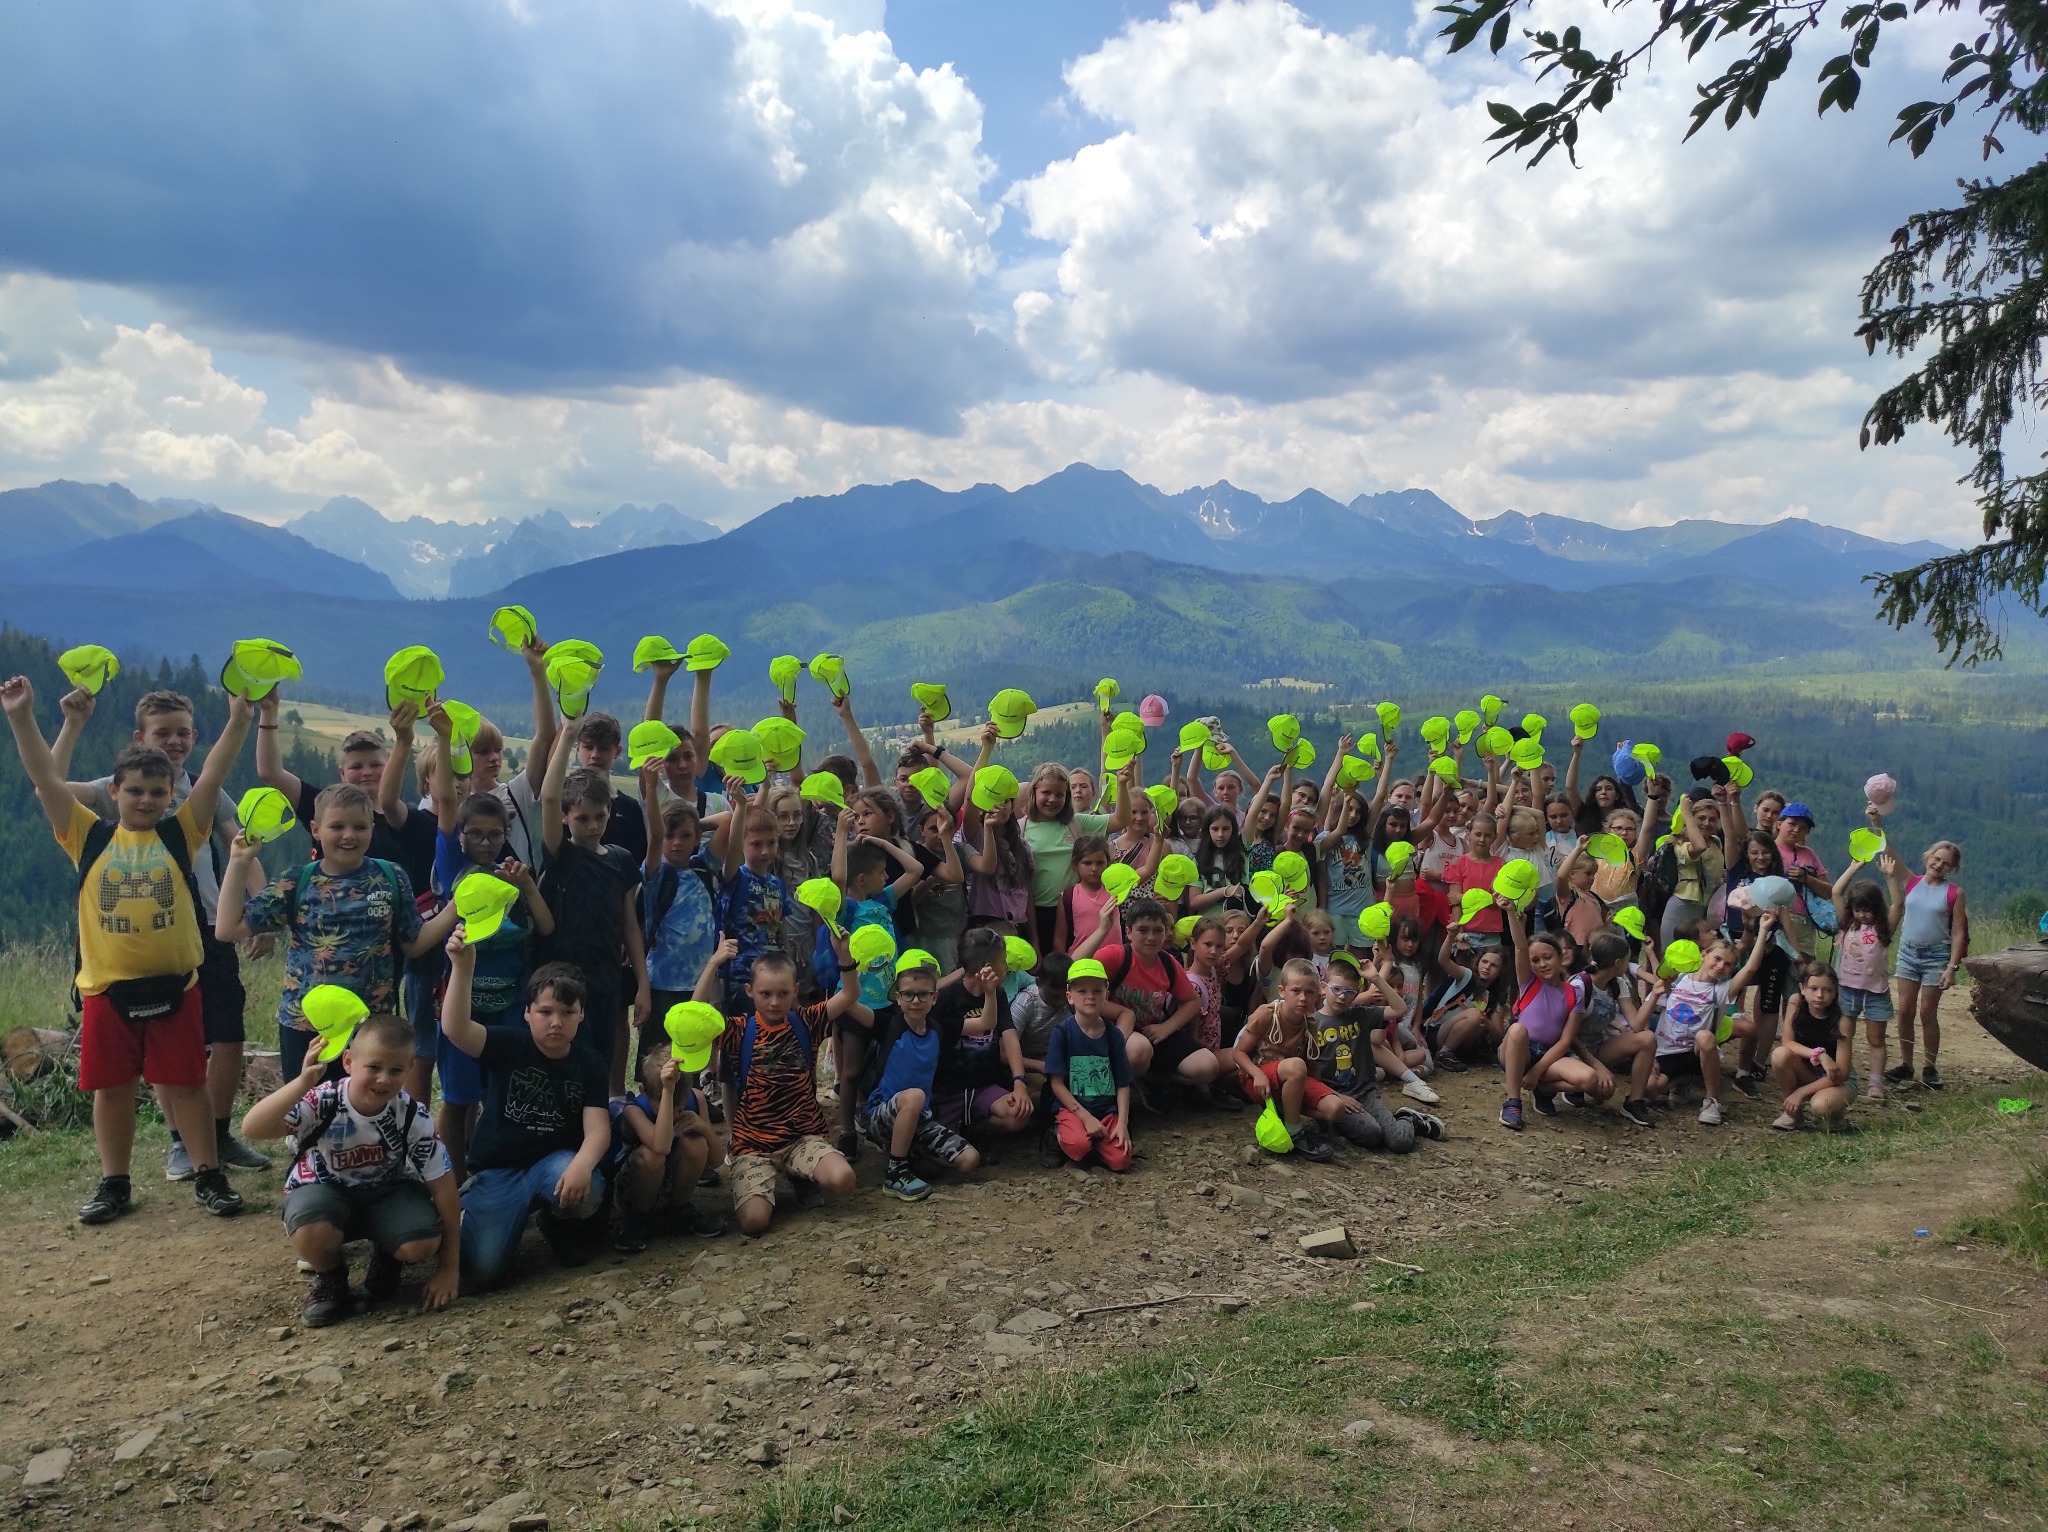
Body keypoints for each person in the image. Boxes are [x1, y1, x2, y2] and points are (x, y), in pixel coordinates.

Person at [3, 675, 253, 1223]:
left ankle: (208, 1177)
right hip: (107, 990)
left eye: (157, 792)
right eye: (134, 791)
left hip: (177, 988)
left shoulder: (181, 834)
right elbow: (45, 780)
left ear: (171, 797)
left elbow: (214, 773)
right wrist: (22, 716)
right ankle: (114, 1183)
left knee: (187, 1084)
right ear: (113, 792)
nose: (146, 799)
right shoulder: (85, 835)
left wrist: (238, 718)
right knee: (111, 1089)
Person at [51, 685, 271, 1178]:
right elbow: (52, 786)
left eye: (182, 734)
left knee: (224, 1034)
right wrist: (69, 726)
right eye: (162, 734)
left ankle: (214, 1139)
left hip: (210, 925)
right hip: (136, 942)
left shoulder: (196, 793)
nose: (173, 743)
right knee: (164, 1051)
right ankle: (179, 1144)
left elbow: (239, 838)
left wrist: (259, 908)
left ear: (195, 736)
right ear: (139, 738)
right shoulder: (122, 785)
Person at [257, 689, 443, 1103]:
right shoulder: (327, 808)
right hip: (317, 980)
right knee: (315, 1079)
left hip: (381, 961)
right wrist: (268, 713)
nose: (366, 773)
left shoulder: (400, 818)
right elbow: (271, 772)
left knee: (369, 1067)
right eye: (356, 766)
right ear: (341, 772)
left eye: (375, 764)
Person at [218, 783, 460, 1078]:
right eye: (337, 826)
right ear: (316, 829)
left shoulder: (391, 877)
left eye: (360, 826)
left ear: (372, 827)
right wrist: (239, 862)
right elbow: (228, 929)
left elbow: (413, 943)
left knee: (366, 1114)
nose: (349, 835)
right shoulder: (297, 881)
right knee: (307, 1115)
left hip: (370, 1028)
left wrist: (455, 909)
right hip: (306, 1027)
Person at [240, 1010, 460, 1326]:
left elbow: (444, 1186)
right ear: (348, 1062)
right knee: (309, 1225)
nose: (384, 1078)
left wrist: (448, 1268)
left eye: (396, 1070)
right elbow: (252, 1128)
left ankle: (387, 1254)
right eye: (373, 1067)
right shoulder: (323, 1101)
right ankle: (331, 1278)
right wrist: (302, 1083)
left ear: (410, 1069)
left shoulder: (413, 1115)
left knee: (421, 1242)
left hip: (384, 1193)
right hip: (323, 1194)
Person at [442, 936, 611, 1289]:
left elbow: (597, 1128)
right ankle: (476, 1213)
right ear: (527, 1013)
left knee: (588, 1185)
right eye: (545, 1012)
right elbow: (456, 1029)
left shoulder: (589, 1063)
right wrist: (462, 967)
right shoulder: (509, 1044)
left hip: (552, 1164)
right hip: (497, 1171)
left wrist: (581, 1165)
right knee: (482, 1272)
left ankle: (558, 1221)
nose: (556, 1023)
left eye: (567, 1013)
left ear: (582, 1015)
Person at [698, 935, 867, 1236]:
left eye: (782, 993)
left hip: (802, 1137)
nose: (774, 1002)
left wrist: (844, 954)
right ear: (749, 991)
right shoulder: (739, 1029)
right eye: (765, 993)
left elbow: (851, 993)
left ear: (795, 991)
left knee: (844, 1180)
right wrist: (714, 963)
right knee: (753, 1223)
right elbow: (694, 1016)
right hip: (753, 1145)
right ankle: (765, 1179)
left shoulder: (808, 1020)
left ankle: (799, 1173)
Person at [427, 778, 553, 1181]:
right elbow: (446, 800)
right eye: (475, 834)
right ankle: (455, 1180)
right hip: (460, 1007)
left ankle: (492, 1168)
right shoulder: (452, 870)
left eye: (495, 834)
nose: (485, 842)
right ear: (459, 836)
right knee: (458, 1098)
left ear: (507, 834)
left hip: (510, 1008)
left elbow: (544, 928)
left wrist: (527, 887)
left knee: (500, 1093)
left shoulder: (513, 878)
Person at [536, 717, 651, 1097]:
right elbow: (550, 797)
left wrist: (643, 986)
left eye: (600, 817)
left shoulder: (620, 860)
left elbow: (630, 925)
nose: (592, 825)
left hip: (605, 981)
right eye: (582, 818)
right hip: (561, 980)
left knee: (598, 1066)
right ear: (566, 818)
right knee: (559, 1063)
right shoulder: (561, 855)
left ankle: (598, 1140)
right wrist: (568, 735)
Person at [860, 949, 982, 1200]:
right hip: (880, 1115)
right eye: (908, 994)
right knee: (914, 1096)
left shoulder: (938, 1028)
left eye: (923, 994)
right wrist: (850, 966)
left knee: (970, 1160)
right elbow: (848, 1001)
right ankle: (895, 1173)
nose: (915, 1001)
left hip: (921, 1120)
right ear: (898, 997)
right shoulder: (887, 1025)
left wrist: (990, 991)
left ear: (934, 997)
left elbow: (985, 1023)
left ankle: (911, 1158)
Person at [1220, 958, 1346, 1163]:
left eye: (1309, 992)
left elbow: (1312, 1067)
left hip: (1289, 1079)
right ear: (1282, 991)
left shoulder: (1310, 1024)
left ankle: (1286, 1111)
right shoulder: (1267, 1015)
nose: (1303, 998)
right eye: (1296, 991)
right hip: (1258, 1078)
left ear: (1317, 994)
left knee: (1335, 1108)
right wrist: (1257, 1073)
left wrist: (1330, 1092)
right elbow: (1238, 1053)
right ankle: (1295, 1131)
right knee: (1296, 1066)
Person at [1649, 924, 1775, 1126]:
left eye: (1728, 965)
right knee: (1651, 1089)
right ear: (1704, 954)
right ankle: (1683, 1080)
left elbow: (1751, 967)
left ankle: (1712, 1101)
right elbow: (1654, 999)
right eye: (1717, 959)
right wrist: (1649, 1056)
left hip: (1698, 1052)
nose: (1720, 966)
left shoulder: (1723, 990)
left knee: (1705, 1037)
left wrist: (1762, 932)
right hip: (1668, 1051)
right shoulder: (1678, 979)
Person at [610, 1048, 724, 1250]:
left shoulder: (695, 1098)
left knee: (696, 1143)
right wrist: (668, 1092)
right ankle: (636, 1220)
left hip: (668, 1182)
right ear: (644, 1091)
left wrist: (704, 1128)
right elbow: (661, 1147)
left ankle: (679, 1211)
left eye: (679, 1107)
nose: (675, 1112)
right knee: (651, 1155)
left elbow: (718, 1161)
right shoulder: (633, 1110)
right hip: (632, 1188)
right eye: (665, 1103)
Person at [927, 928, 1036, 1137]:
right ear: (988, 968)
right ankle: (958, 1125)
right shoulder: (947, 998)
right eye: (1003, 961)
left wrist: (1019, 1082)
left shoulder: (998, 993)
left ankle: (977, 1127)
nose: (1006, 966)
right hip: (947, 1089)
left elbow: (1009, 1036)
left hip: (984, 1085)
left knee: (1018, 1115)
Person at [1022, 761, 1131, 955]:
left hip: (1072, 910)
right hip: (1036, 912)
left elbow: (1121, 820)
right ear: (1034, 792)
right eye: (1046, 793)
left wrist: (1122, 785)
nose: (1052, 799)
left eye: (1060, 795)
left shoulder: (1075, 822)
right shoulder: (1021, 828)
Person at [1889, 840, 1969, 1089]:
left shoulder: (1954, 893)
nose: (1939, 864)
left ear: (1952, 868)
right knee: (1904, 1010)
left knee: (1927, 1012)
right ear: (1928, 857)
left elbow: (1958, 932)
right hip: (1909, 953)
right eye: (1936, 859)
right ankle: (1906, 1064)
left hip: (1936, 956)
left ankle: (1929, 1067)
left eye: (1946, 863)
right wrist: (1877, 823)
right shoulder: (1911, 882)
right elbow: (1891, 853)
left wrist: (1952, 967)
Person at [1044, 958, 1135, 1172]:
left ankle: (1096, 1142)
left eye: (1097, 990)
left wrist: (1123, 1123)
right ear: (1070, 997)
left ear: (1107, 994)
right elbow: (1056, 1083)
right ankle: (1057, 1135)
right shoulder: (1062, 1033)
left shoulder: (1113, 1035)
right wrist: (1084, 1117)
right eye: (1082, 991)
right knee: (1077, 1147)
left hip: (1106, 1109)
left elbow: (1123, 1083)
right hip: (1073, 1108)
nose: (1090, 997)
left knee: (1121, 1161)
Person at [1831, 843, 1907, 1099]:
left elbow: (1898, 905)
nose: (1862, 915)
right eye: (1858, 910)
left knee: (1876, 1039)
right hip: (1845, 988)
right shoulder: (1847, 926)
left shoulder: (1882, 931)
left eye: (1867, 911)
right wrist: (1853, 868)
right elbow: (1836, 892)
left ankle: (1875, 1083)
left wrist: (1889, 877)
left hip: (1875, 992)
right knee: (1844, 1035)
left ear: (1877, 910)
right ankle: (1843, 1074)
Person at [1770, 963, 1855, 1131]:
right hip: (1808, 1069)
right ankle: (1792, 1114)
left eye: (1827, 990)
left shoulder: (1842, 1021)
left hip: (1835, 1079)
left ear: (1835, 992)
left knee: (1820, 1107)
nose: (1820, 995)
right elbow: (1787, 1042)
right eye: (1813, 989)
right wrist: (1819, 1055)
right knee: (1780, 1055)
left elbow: (1842, 1074)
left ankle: (1836, 1114)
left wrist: (1801, 1092)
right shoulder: (1796, 1003)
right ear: (1802, 988)